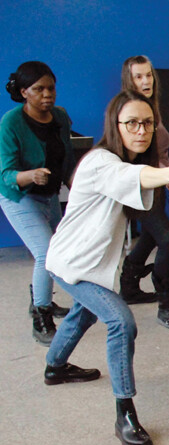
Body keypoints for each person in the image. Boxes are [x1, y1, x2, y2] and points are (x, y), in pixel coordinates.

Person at [44, 90, 169, 445]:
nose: (141, 130)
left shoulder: (128, 165)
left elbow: (138, 180)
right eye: (132, 123)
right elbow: (129, 175)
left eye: (147, 123)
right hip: (71, 263)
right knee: (119, 321)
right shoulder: (99, 161)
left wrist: (168, 178)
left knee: (83, 314)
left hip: (92, 267)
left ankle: (55, 366)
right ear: (116, 126)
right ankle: (124, 411)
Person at [1, 61, 73, 345]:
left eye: (51, 88)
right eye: (38, 89)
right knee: (47, 252)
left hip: (50, 195)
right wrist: (29, 175)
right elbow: (6, 174)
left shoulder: (60, 117)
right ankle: (40, 317)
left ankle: (43, 300)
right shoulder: (11, 122)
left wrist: (75, 182)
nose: (47, 94)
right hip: (19, 196)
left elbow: (67, 157)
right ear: (23, 92)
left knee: (61, 249)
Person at [118, 55, 169, 329]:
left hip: (156, 186)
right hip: (138, 187)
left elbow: (158, 152)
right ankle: (166, 305)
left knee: (149, 237)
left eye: (148, 75)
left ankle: (129, 286)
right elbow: (133, 156)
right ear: (129, 80)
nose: (146, 81)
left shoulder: (151, 108)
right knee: (167, 240)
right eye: (138, 76)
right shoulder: (128, 112)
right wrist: (163, 172)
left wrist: (168, 173)